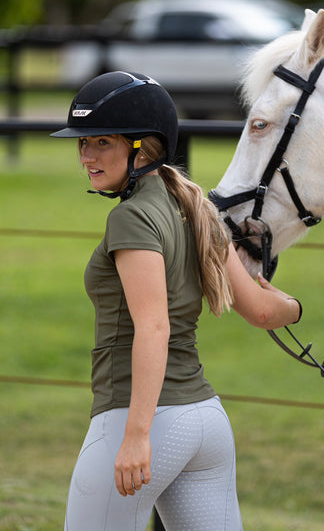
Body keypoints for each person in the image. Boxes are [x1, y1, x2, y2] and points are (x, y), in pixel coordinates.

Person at [51, 71, 302, 531]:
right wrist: (295, 307)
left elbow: (153, 327)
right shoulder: (198, 208)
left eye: (101, 142)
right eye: (82, 143)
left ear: (142, 147)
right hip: (205, 423)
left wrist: (137, 436)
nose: (86, 156)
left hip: (140, 419)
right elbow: (263, 311)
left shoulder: (131, 219)